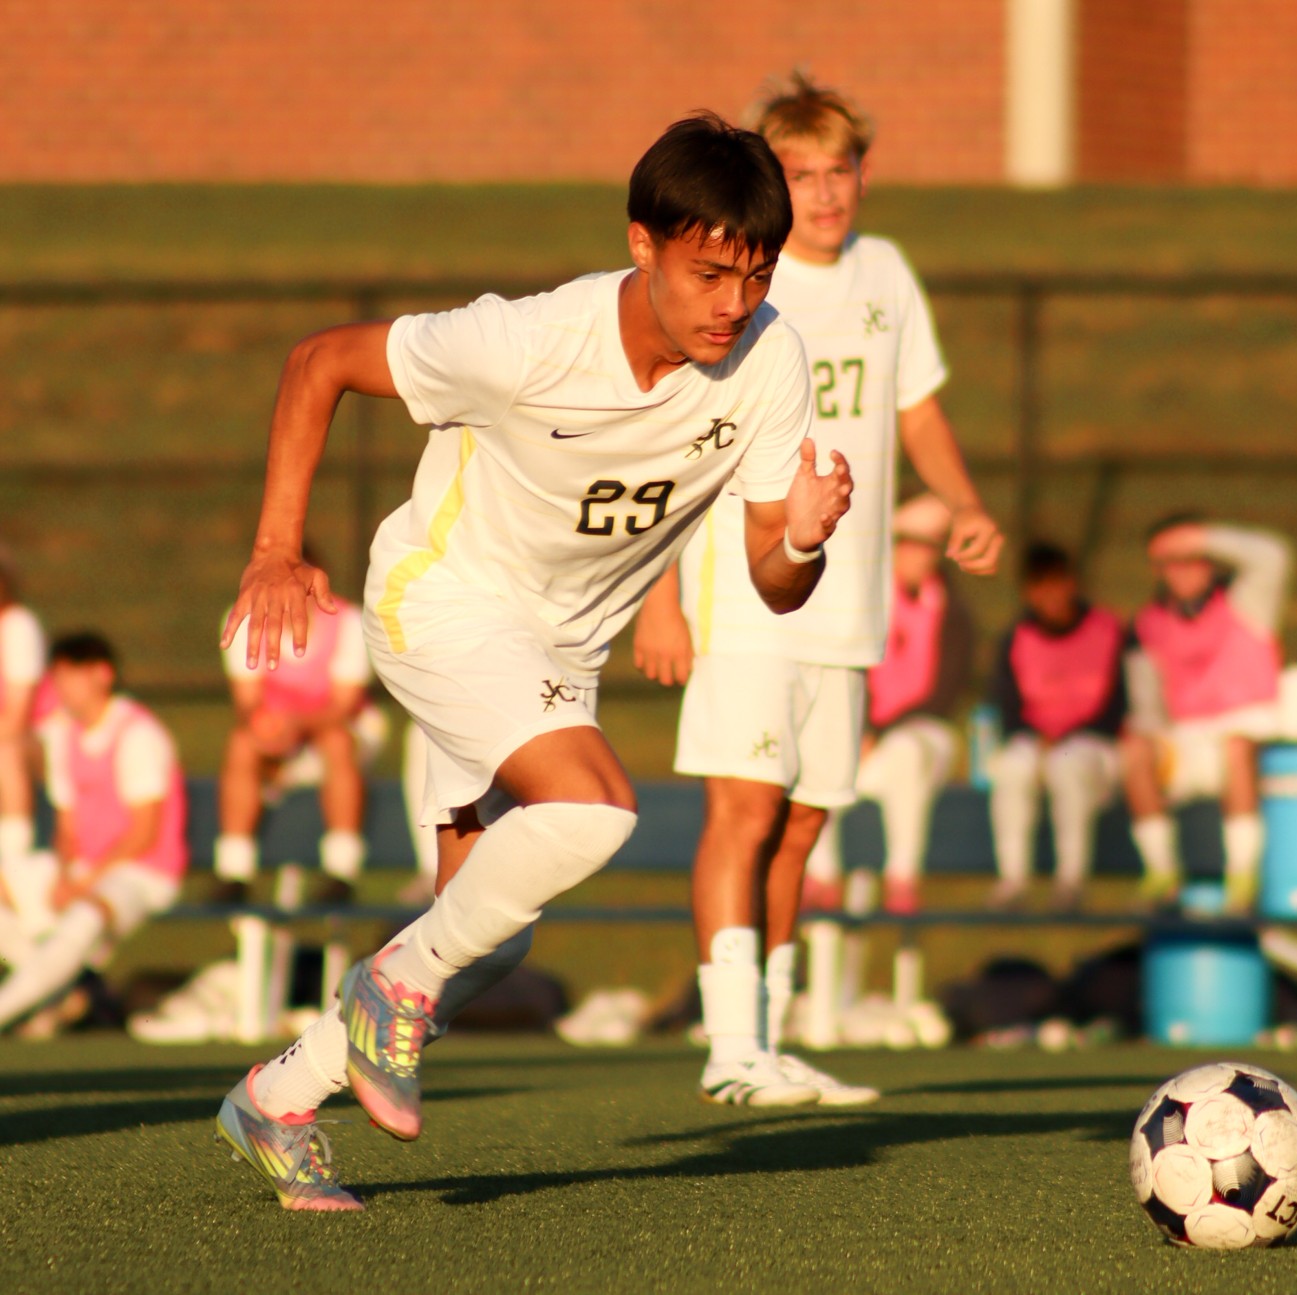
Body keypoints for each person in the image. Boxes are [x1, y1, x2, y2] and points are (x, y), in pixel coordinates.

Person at [214, 111, 854, 1211]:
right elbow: (318, 361)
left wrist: (801, 533)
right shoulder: (524, 341)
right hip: (442, 599)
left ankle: (276, 1096)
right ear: (641, 242)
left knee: (484, 944)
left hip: (555, 652)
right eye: (709, 274)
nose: (732, 306)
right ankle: (385, 992)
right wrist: (275, 549)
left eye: (752, 277)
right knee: (596, 809)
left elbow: (772, 581)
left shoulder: (769, 356)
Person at [633, 74, 1001, 1107]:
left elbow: (916, 410)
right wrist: (662, 594)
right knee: (743, 814)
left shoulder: (886, 274)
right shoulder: (745, 283)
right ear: (769, 182)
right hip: (747, 594)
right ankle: (728, 1045)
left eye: (840, 171)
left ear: (863, 173)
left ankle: (775, 1036)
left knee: (801, 823)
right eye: (801, 174)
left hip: (846, 605)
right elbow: (676, 439)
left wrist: (962, 502)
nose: (826, 194)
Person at [0, 632, 187, 1032]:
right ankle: (65, 994)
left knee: (87, 914)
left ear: (102, 674)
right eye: (57, 677)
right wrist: (66, 874)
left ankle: (13, 1005)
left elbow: (144, 833)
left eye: (71, 676)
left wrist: (84, 881)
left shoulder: (138, 734)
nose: (61, 687)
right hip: (87, 868)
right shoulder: (64, 734)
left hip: (142, 872)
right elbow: (67, 828)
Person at [802, 492, 975, 916]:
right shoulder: (862, 601)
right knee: (817, 752)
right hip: (863, 738)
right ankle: (822, 874)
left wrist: (878, 731)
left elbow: (941, 695)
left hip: (918, 737)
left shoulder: (955, 615)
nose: (917, 554)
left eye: (929, 544)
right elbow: (844, 670)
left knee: (907, 751)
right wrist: (860, 728)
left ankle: (903, 875)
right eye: (908, 541)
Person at [1121, 515, 1293, 913]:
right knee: (1134, 750)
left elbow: (1274, 556)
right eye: (1169, 561)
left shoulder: (1246, 602)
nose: (1179, 570)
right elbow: (1147, 707)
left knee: (1235, 747)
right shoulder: (1149, 623)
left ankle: (1241, 877)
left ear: (1211, 558)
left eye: (1190, 557)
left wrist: (1202, 536)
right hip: (1187, 746)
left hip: (1249, 750)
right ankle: (1161, 872)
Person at [214, 547, 376, 902]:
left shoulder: (348, 622)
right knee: (242, 744)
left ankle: (341, 870)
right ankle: (233, 872)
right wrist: (269, 728)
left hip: (334, 738)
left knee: (337, 742)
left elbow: (344, 706)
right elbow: (247, 702)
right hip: (279, 740)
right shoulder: (243, 619)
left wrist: (296, 726)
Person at [986, 542, 1126, 912]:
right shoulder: (1016, 639)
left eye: (1057, 582)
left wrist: (1064, 736)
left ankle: (1070, 882)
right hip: (1035, 744)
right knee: (1013, 767)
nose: (1049, 595)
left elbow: (1118, 707)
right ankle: (1012, 881)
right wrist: (1037, 739)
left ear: (1073, 583)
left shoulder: (1110, 631)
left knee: (1067, 762)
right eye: (1039, 586)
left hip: (1095, 748)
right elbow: (1009, 710)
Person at [0, 547, 46, 874]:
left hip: (43, 740)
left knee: (5, 749)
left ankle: (11, 859)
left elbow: (17, 719)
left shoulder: (18, 626)